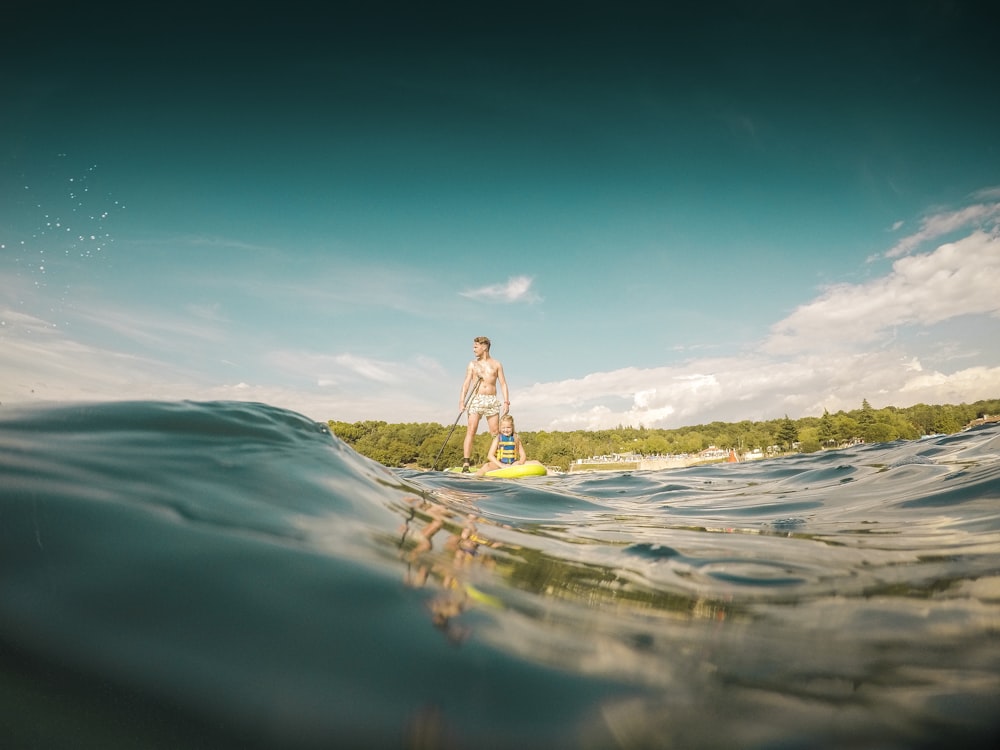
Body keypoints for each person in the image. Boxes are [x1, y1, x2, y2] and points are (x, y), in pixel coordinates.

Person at [459, 336, 509, 472]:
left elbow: (503, 383)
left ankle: (500, 461)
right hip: (476, 399)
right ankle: (466, 463)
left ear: (484, 347)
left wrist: (506, 401)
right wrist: (462, 401)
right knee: (471, 430)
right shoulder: (472, 364)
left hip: (492, 400)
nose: (473, 349)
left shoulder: (497, 364)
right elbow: (466, 384)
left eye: (476, 347)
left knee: (495, 433)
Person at [476, 414, 543, 476]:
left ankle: (550, 473)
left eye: (508, 427)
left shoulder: (516, 438)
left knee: (536, 462)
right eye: (503, 428)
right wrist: (502, 465)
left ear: (512, 427)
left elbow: (523, 455)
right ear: (500, 428)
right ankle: (476, 478)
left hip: (513, 463)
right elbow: (490, 456)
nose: (506, 430)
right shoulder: (497, 438)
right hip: (499, 464)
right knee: (486, 466)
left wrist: (520, 463)